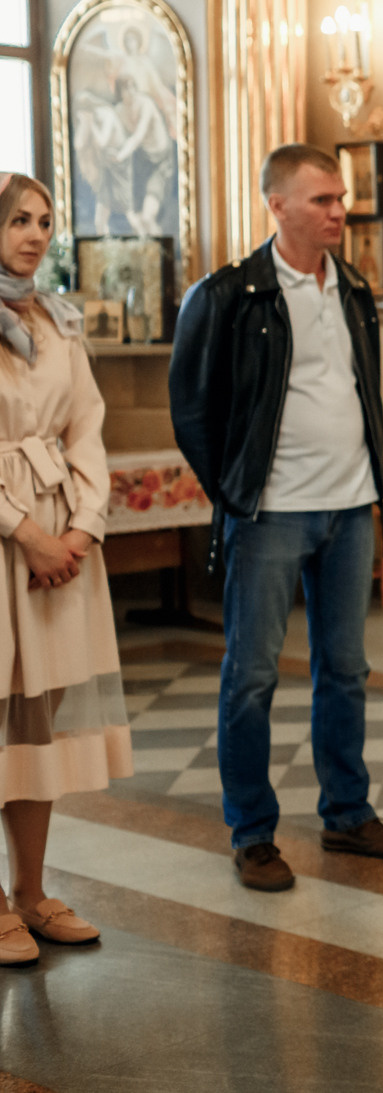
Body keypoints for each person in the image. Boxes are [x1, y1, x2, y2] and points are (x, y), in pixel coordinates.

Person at [169, 144, 383, 893]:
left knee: (345, 669)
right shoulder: (228, 295)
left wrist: (374, 498)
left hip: (348, 507)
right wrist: (238, 489)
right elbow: (193, 407)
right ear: (276, 205)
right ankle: (252, 832)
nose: (340, 211)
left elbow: (363, 398)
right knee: (249, 674)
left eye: (341, 198)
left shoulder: (354, 291)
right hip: (270, 513)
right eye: (322, 200)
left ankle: (347, 812)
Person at [0, 173, 129, 966]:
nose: (36, 232)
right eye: (19, 218)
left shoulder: (55, 320)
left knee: (35, 724)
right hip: (8, 539)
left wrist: (80, 527)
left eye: (46, 220)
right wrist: (24, 532)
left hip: (56, 540)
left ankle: (31, 890)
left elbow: (87, 425)